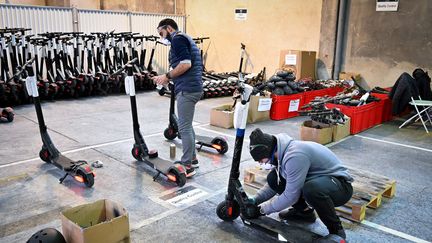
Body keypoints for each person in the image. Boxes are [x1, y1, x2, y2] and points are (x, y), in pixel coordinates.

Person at [246, 128, 353, 240]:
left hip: (340, 186)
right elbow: (276, 182)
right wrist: (255, 199)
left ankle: (336, 231)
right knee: (272, 177)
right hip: (320, 180)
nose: (260, 163)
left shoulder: (294, 156)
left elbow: (291, 196)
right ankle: (304, 213)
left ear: (268, 151)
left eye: (260, 160)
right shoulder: (280, 151)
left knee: (311, 189)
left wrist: (262, 210)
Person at [152, 18, 203, 177]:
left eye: (162, 33)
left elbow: (185, 64)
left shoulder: (178, 39)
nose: (162, 37)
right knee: (187, 125)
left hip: (188, 89)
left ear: (168, 28)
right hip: (192, 87)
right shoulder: (184, 37)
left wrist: (167, 76)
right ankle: (192, 158)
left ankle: (187, 165)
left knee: (184, 128)